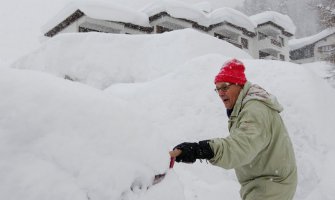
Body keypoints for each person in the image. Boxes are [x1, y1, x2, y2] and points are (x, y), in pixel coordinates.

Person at [169, 59, 297, 200]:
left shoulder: (254, 111)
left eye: (225, 87)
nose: (220, 93)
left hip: (271, 186)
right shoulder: (244, 107)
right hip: (265, 183)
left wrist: (199, 150)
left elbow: (240, 147)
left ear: (240, 85)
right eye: (217, 88)